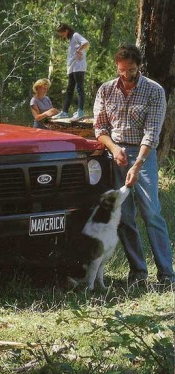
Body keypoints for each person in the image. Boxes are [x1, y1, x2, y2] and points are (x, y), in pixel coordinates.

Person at [93, 43, 174, 286]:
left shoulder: (153, 90)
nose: (126, 75)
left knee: (152, 214)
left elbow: (152, 132)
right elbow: (100, 128)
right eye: (121, 70)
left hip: (143, 154)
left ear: (139, 66)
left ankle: (167, 274)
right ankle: (138, 272)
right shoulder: (106, 90)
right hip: (116, 153)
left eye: (130, 70)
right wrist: (114, 149)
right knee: (125, 217)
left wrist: (137, 164)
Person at [52, 23, 89, 121]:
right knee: (69, 89)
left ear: (66, 31)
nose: (61, 35)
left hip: (78, 66)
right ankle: (64, 112)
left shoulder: (75, 35)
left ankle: (80, 111)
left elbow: (85, 43)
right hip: (72, 67)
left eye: (61, 33)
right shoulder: (71, 39)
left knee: (79, 88)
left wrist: (79, 51)